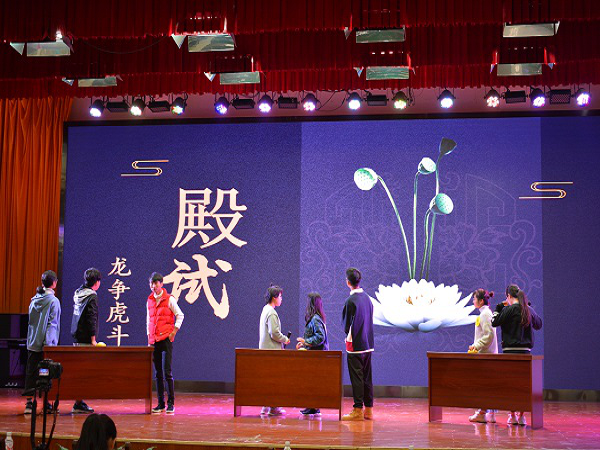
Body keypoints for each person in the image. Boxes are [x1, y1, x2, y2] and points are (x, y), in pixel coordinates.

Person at [492, 284, 543, 426]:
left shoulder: (508, 309)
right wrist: (530, 309)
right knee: (523, 385)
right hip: (525, 353)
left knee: (510, 385)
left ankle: (512, 415)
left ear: (508, 296)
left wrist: (498, 309)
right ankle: (522, 416)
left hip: (510, 352)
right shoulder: (528, 309)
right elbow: (539, 324)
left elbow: (494, 322)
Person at [23, 270, 61, 415]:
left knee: (31, 371)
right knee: (45, 373)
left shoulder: (34, 299)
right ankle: (46, 404)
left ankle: (29, 403)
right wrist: (49, 345)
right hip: (45, 345)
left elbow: (31, 322)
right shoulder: (53, 301)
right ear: (54, 283)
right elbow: (52, 324)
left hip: (33, 342)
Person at [147, 272, 184, 415]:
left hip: (166, 339)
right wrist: (149, 338)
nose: (153, 286)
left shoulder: (169, 299)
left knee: (167, 371)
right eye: (151, 284)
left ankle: (171, 404)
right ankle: (160, 404)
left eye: (156, 283)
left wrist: (174, 332)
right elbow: (148, 320)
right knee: (158, 374)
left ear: (161, 284)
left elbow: (180, 315)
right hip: (154, 340)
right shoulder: (149, 300)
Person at [341, 268, 374, 421]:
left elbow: (346, 325)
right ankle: (369, 410)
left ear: (348, 282)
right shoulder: (368, 298)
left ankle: (358, 409)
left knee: (357, 378)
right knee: (367, 376)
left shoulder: (350, 301)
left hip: (355, 344)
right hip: (368, 343)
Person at [70, 267, 102, 414]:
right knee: (83, 373)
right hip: (85, 339)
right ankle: (78, 404)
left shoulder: (78, 293)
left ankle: (78, 401)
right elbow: (91, 318)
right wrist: (93, 339)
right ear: (96, 282)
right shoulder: (92, 296)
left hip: (76, 335)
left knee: (79, 370)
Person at [258, 284, 290, 416]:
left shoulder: (265, 309)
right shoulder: (271, 312)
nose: (281, 299)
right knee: (274, 379)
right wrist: (285, 339)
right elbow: (274, 333)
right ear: (274, 297)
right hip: (271, 351)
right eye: (280, 296)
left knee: (269, 379)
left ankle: (267, 407)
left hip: (266, 350)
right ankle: (273, 407)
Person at [467, 289, 498, 423]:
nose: (473, 301)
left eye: (475, 298)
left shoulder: (485, 314)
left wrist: (476, 345)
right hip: (486, 355)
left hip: (486, 356)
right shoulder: (485, 313)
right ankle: (489, 412)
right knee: (488, 385)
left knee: (483, 385)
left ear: (480, 301)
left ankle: (482, 412)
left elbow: (488, 335)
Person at [296, 292, 329, 416]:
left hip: (316, 357)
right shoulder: (317, 318)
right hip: (316, 355)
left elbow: (320, 337)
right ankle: (313, 406)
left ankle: (313, 406)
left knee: (313, 381)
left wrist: (306, 342)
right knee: (313, 381)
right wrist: (304, 344)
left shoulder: (315, 319)